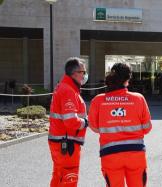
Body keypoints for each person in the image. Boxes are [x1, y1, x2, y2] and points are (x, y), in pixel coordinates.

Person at [88, 63, 152, 187]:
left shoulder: (98, 100)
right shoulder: (138, 99)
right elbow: (147, 128)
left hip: (110, 154)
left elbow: (95, 128)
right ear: (127, 79)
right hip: (136, 154)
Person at [48, 57, 89, 187]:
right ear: (75, 73)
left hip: (61, 141)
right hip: (66, 143)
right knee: (69, 178)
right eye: (83, 72)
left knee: (59, 175)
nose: (85, 75)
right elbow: (71, 120)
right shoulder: (68, 90)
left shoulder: (65, 87)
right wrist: (85, 122)